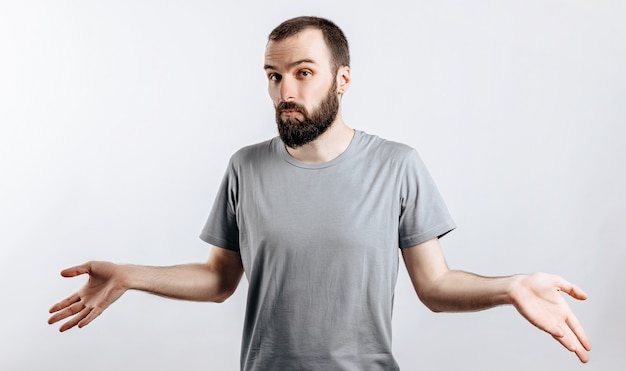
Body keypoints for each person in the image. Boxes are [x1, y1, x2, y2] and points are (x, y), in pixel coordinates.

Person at [48, 16, 592, 370]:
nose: (285, 91)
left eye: (303, 73)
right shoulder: (245, 168)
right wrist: (129, 276)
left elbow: (436, 285)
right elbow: (219, 280)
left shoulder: (397, 165)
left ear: (343, 80)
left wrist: (512, 286)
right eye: (273, 76)